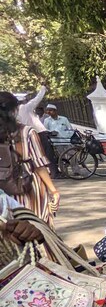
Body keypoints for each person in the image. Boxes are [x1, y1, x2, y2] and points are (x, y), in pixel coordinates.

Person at [0, 92, 59, 226]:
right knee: (38, 228)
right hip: (29, 187)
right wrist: (53, 190)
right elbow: (39, 165)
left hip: (4, 194)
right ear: (15, 110)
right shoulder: (27, 132)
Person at [17, 87, 60, 179]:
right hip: (38, 133)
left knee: (34, 154)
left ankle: (38, 173)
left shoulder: (13, 112)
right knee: (48, 153)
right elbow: (37, 99)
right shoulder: (25, 108)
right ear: (23, 101)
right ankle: (54, 173)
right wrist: (43, 89)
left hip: (25, 134)